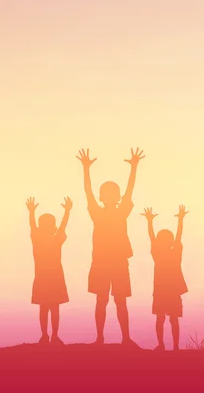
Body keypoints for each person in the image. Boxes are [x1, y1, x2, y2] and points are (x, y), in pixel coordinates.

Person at [76, 148, 145, 346]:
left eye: (113, 193)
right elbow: (87, 192)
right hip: (101, 262)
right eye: (107, 193)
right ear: (102, 197)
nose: (110, 196)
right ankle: (100, 338)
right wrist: (85, 169)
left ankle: (125, 338)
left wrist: (134, 168)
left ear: (117, 196)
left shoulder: (120, 211)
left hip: (117, 262)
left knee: (120, 301)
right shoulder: (97, 213)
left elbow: (129, 190)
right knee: (102, 301)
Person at [26, 196, 72, 345]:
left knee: (45, 308)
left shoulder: (38, 240)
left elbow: (33, 227)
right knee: (52, 308)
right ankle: (51, 335)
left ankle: (48, 335)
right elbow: (63, 226)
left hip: (46, 278)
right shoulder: (53, 239)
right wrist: (67, 212)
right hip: (52, 278)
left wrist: (31, 212)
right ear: (54, 228)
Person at [142, 205, 189, 351]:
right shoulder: (174, 252)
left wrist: (150, 222)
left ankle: (164, 345)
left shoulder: (159, 253)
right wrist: (180, 220)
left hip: (163, 291)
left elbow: (152, 237)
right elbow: (177, 236)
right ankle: (173, 346)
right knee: (170, 320)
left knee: (161, 319)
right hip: (170, 291)